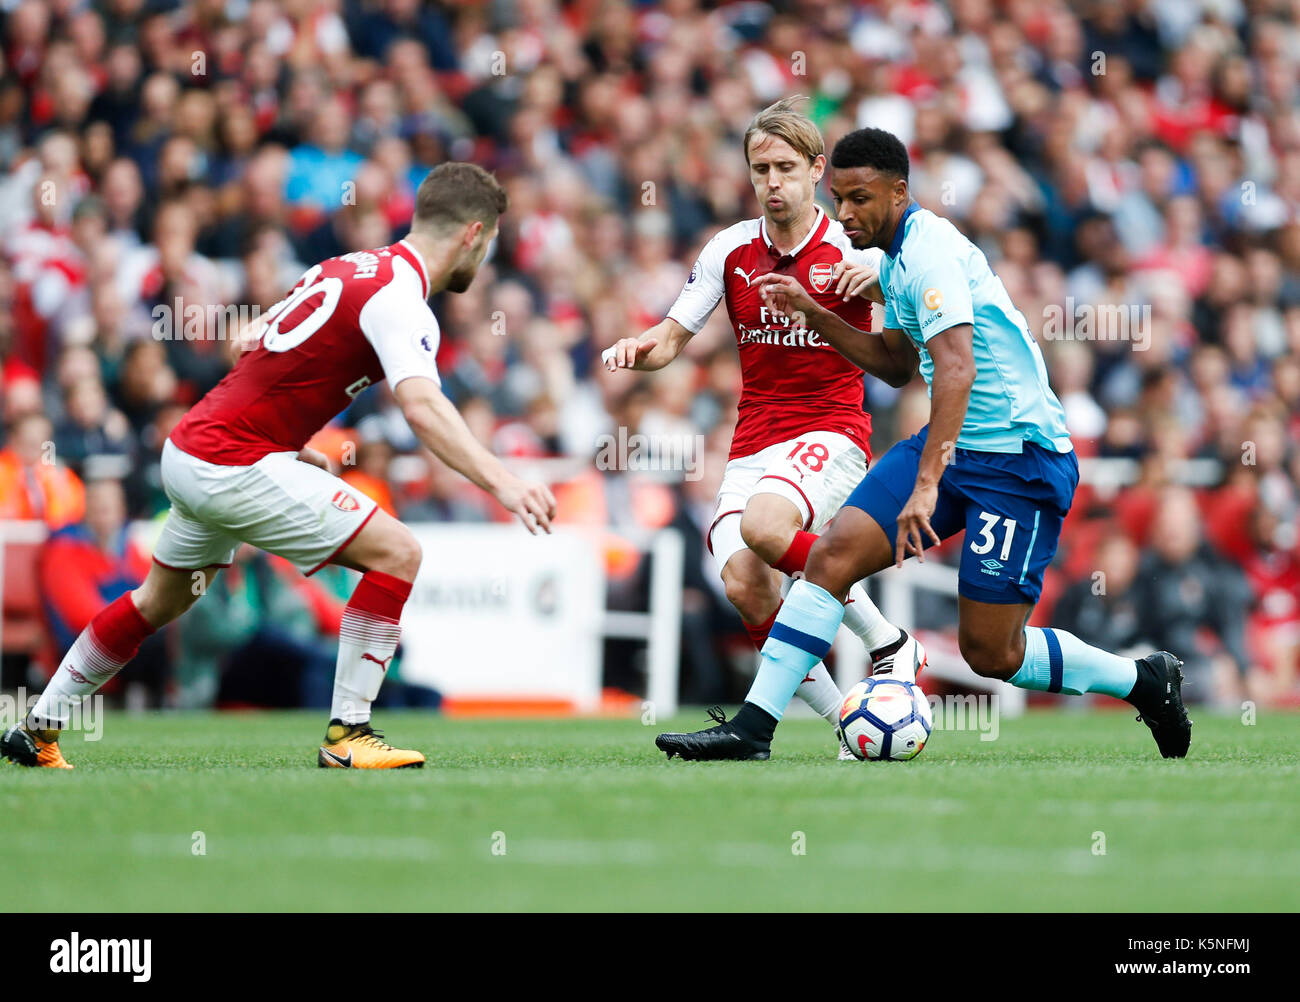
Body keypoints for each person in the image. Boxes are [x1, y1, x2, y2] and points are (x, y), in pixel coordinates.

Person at [2, 162, 556, 770]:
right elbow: (423, 406)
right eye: (492, 241)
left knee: (155, 602)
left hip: (193, 449)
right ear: (473, 234)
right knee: (398, 553)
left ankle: (39, 725)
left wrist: (287, 440)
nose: (487, 258)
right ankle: (349, 735)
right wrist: (505, 481)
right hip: (231, 461)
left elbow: (250, 342)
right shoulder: (402, 300)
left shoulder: (342, 267)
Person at [659, 127, 1190, 761]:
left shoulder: (930, 252)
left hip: (1019, 459)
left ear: (899, 192)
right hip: (952, 443)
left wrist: (927, 483)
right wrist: (817, 313)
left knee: (993, 653)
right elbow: (894, 366)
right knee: (831, 557)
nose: (845, 214)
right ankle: (754, 727)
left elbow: (957, 369)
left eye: (859, 199)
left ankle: (1142, 680)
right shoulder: (889, 259)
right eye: (839, 199)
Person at [605, 99, 923, 761]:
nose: (771, 181)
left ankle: (886, 638)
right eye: (759, 169)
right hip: (754, 441)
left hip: (831, 431)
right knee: (746, 584)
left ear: (815, 170)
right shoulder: (729, 249)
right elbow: (671, 338)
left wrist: (879, 288)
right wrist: (640, 348)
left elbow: (910, 336)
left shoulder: (850, 245)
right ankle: (848, 722)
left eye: (784, 167)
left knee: (766, 529)